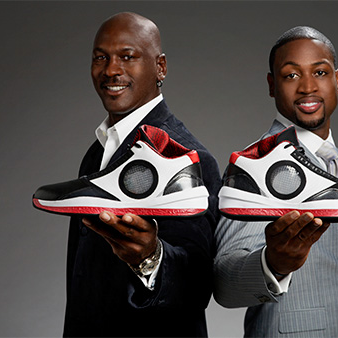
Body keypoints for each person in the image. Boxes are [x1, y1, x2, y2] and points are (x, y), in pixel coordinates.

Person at [63, 12, 221, 337]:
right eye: (100, 58)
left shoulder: (186, 157)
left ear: (160, 67)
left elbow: (198, 285)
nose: (110, 69)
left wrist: (151, 257)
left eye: (127, 56)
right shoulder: (96, 153)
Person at [214, 26, 338, 337]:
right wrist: (273, 263)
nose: (308, 87)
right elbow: (224, 283)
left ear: (337, 81)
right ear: (272, 86)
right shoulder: (257, 166)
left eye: (320, 72)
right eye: (291, 75)